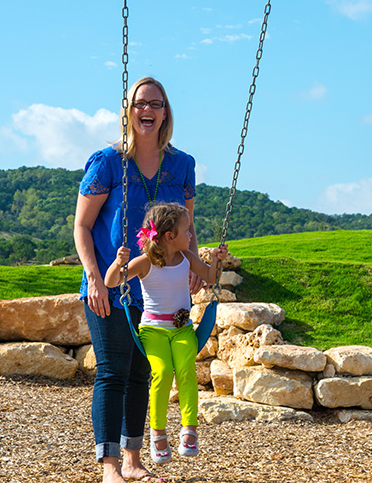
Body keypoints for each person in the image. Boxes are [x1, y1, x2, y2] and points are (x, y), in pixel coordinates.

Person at [74, 76, 201, 483]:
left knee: (141, 373)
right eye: (139, 103)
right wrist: (94, 278)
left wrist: (195, 265)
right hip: (112, 284)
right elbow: (82, 226)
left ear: (166, 113)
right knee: (113, 369)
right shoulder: (107, 162)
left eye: (156, 103)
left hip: (157, 289)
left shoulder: (182, 165)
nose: (147, 109)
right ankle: (110, 466)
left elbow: (188, 226)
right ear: (127, 111)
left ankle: (132, 460)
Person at [104, 202, 227, 465]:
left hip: (182, 329)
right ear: (170, 237)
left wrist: (216, 260)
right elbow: (111, 282)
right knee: (162, 372)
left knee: (185, 370)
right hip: (153, 331)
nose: (191, 235)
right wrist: (118, 263)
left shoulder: (186, 259)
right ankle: (157, 433)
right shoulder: (145, 263)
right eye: (187, 231)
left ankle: (189, 429)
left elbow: (210, 277)